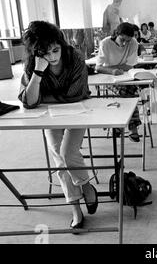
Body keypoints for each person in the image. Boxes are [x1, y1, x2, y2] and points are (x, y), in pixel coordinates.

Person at [18, 21, 96, 231]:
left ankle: (85, 184)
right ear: (36, 52)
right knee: (58, 158)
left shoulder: (74, 57)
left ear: (61, 45)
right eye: (45, 53)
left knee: (68, 152)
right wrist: (38, 74)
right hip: (51, 117)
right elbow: (29, 102)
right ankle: (76, 208)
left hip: (79, 112)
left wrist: (46, 97)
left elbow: (76, 95)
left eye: (55, 50)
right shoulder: (33, 65)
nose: (52, 57)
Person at [95, 22, 142, 142]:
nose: (125, 43)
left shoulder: (133, 42)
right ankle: (133, 128)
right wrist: (112, 71)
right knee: (129, 92)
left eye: (128, 40)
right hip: (109, 78)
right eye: (122, 39)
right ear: (116, 34)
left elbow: (130, 66)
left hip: (126, 77)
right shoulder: (105, 43)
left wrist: (112, 67)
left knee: (127, 90)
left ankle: (116, 125)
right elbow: (98, 68)